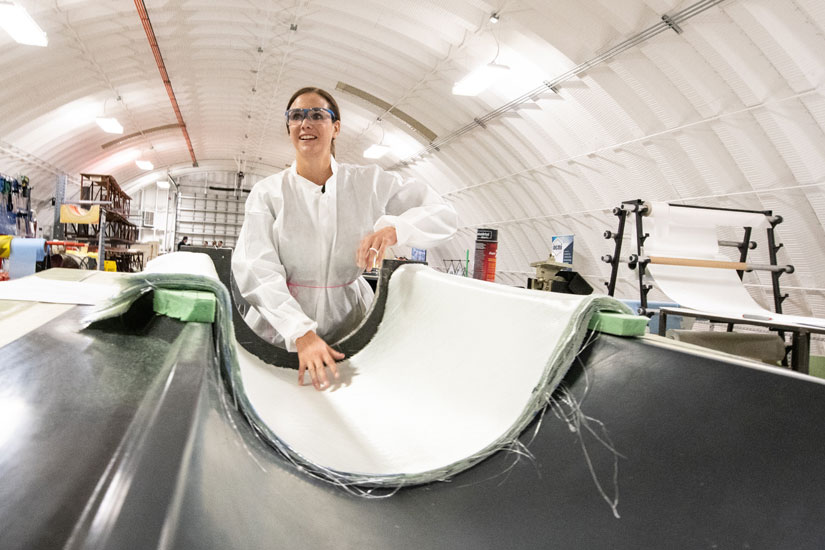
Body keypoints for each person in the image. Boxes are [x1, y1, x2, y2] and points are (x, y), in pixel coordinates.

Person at [232, 86, 457, 391]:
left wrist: (396, 229)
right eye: (296, 116)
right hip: (280, 332)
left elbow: (443, 213)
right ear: (288, 127)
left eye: (317, 115)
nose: (305, 123)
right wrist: (300, 332)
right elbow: (256, 269)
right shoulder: (269, 193)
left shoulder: (368, 183)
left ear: (335, 127)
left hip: (351, 326)